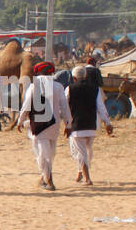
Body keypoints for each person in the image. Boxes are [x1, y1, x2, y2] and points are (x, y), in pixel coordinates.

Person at [19, 60, 71, 190]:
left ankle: (49, 181)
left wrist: (20, 121)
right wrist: (68, 124)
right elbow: (65, 107)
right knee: (50, 153)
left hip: (39, 125)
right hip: (54, 124)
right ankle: (45, 177)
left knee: (41, 153)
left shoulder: (33, 86)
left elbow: (26, 106)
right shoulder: (58, 86)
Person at [65, 64, 114, 186]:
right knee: (87, 151)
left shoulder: (69, 89)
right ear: (85, 76)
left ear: (74, 77)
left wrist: (67, 124)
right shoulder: (95, 89)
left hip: (76, 125)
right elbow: (101, 107)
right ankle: (80, 172)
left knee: (80, 152)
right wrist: (108, 123)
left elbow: (64, 108)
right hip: (91, 125)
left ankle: (87, 178)